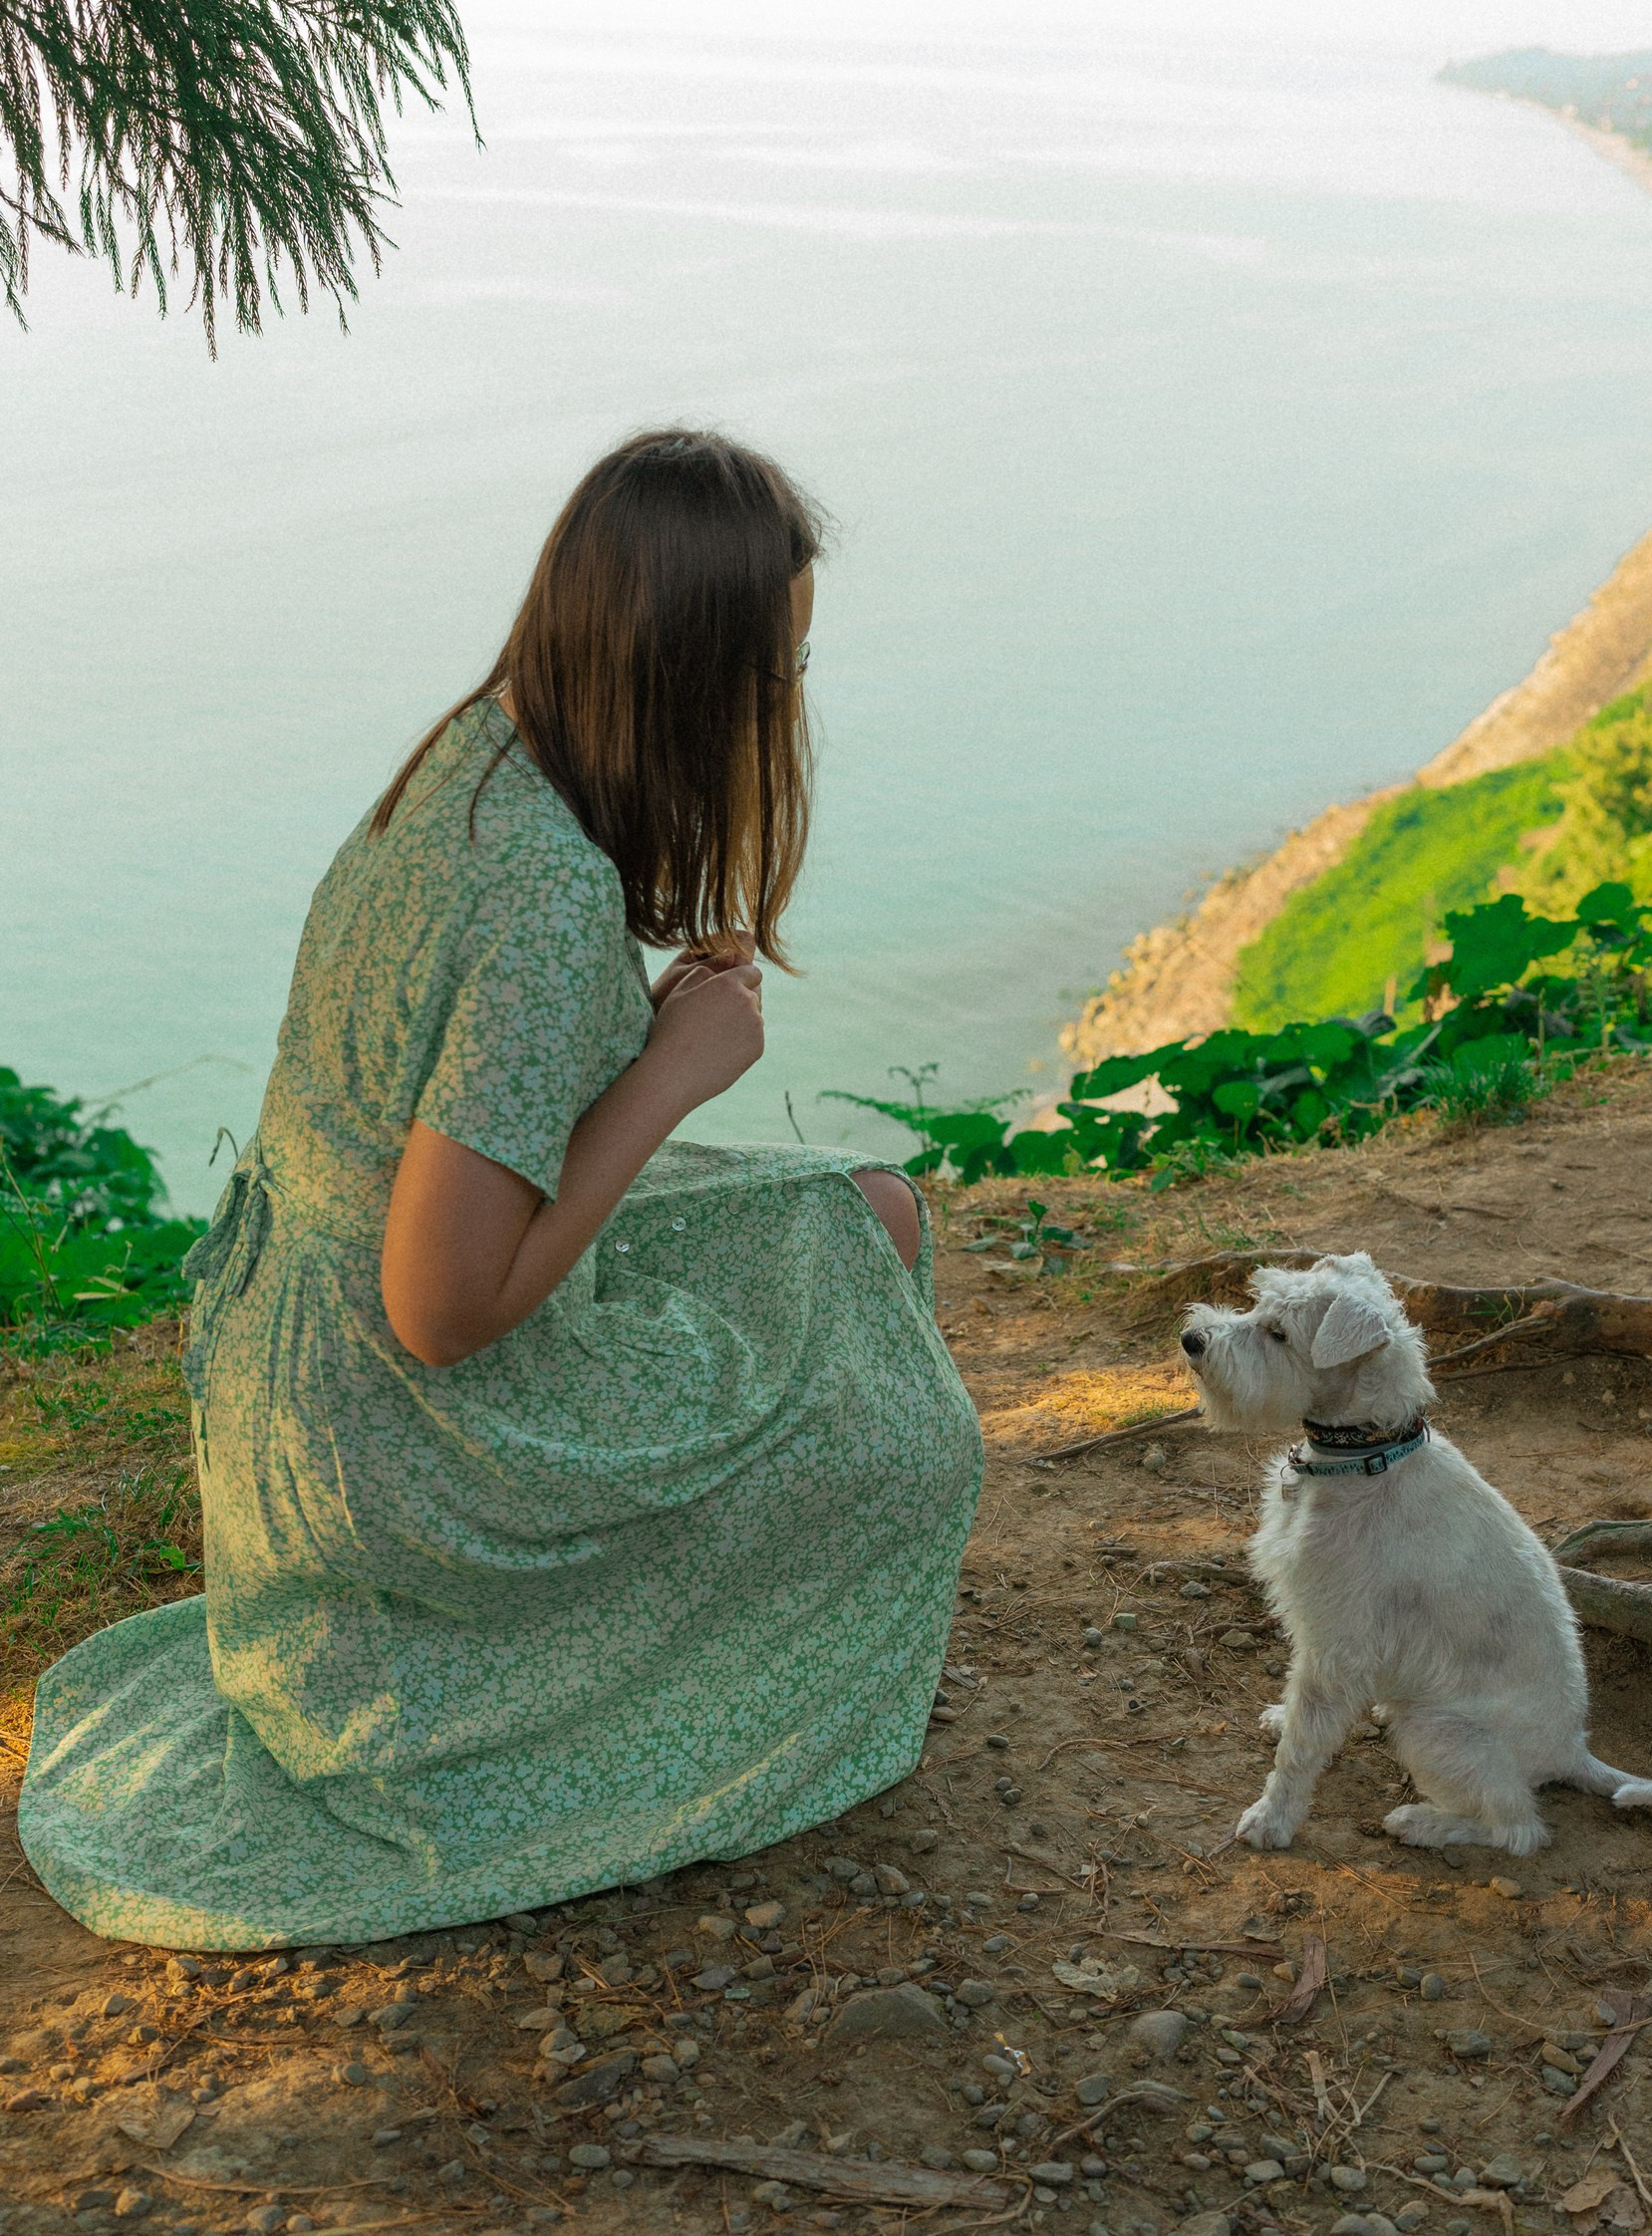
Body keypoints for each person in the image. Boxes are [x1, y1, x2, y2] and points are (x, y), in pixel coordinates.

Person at [19, 430, 982, 1950]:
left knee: (868, 1220)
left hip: (305, 1384)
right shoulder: (543, 891)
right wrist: (669, 1075)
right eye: (773, 672)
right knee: (914, 1448)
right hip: (402, 1450)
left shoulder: (478, 755)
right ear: (687, 677)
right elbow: (441, 1309)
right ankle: (646, 1705)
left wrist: (639, 1048)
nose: (786, 705)